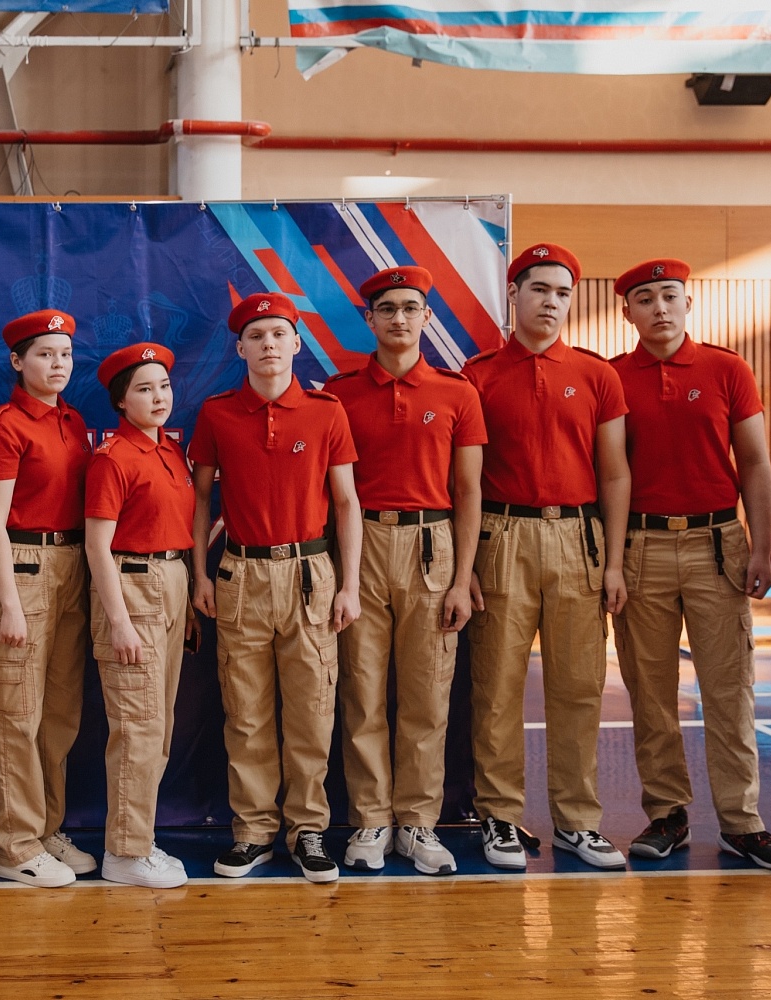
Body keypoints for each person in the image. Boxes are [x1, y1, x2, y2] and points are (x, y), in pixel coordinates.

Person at [606, 258, 771, 872]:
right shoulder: (612, 377)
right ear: (627, 312)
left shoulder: (727, 368)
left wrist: (762, 547)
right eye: (645, 298)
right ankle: (667, 813)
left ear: (687, 303)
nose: (659, 307)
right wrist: (611, 560)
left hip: (718, 544)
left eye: (670, 295)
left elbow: (756, 463)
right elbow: (607, 473)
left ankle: (743, 823)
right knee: (650, 693)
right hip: (640, 547)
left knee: (729, 690)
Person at [463, 242, 631, 870]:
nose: (552, 302)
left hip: (578, 538)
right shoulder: (477, 375)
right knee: (497, 688)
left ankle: (577, 821)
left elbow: (615, 474)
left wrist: (613, 563)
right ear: (514, 294)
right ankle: (500, 816)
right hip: (501, 536)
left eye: (563, 293)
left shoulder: (597, 375)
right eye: (540, 289)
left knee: (579, 687)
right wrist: (465, 566)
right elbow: (464, 483)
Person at [190, 291, 362, 883]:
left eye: (279, 334)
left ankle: (308, 828)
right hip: (241, 573)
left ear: (296, 343)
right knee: (246, 711)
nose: (268, 345)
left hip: (311, 573)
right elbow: (200, 500)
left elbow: (346, 502)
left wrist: (350, 584)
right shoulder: (217, 413)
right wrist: (200, 574)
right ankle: (253, 831)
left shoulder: (326, 411)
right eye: (256, 336)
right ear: (240, 348)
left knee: (312, 710)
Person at [322, 266, 486, 876]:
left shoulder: (457, 393)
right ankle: (370, 820)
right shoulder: (338, 394)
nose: (399, 318)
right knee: (362, 692)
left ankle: (417, 822)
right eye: (386, 308)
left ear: (426, 316)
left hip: (431, 545)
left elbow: (468, 491)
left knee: (427, 695)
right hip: (360, 546)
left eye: (410, 307)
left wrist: (462, 577)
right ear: (369, 319)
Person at [0, 310, 92, 887]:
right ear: (18, 362)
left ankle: (46, 827)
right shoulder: (5, 426)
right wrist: (9, 603)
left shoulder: (73, 420)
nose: (58, 364)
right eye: (45, 354)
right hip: (22, 567)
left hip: (72, 564)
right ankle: (15, 843)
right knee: (17, 713)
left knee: (60, 713)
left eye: (65, 353)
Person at [85, 343, 197, 888]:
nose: (158, 397)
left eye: (164, 386)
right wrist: (120, 622)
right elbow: (97, 546)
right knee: (137, 725)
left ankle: (140, 838)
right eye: (144, 389)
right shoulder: (113, 458)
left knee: (160, 724)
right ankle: (124, 852)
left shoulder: (170, 451)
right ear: (121, 401)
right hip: (132, 586)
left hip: (171, 581)